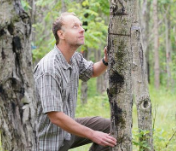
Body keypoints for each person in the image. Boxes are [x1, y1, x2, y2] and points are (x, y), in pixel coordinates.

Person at [33, 12, 116, 151]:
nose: (82, 29)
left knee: (109, 127)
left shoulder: (74, 58)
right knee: (98, 133)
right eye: (75, 26)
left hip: (66, 133)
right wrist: (92, 134)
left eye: (81, 26)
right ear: (61, 34)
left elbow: (92, 71)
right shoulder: (49, 68)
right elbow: (55, 117)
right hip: (48, 141)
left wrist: (105, 61)